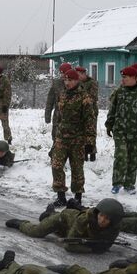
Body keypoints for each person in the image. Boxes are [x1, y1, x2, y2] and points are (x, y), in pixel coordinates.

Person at [5, 198, 124, 253]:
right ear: (98, 212)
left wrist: (101, 247)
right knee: (36, 232)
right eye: (101, 215)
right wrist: (91, 248)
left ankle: (50, 213)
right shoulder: (84, 219)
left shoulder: (114, 228)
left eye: (107, 219)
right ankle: (20, 223)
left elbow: (106, 244)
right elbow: (69, 245)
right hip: (64, 218)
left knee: (50, 221)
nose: (102, 220)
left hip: (69, 229)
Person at [49, 68, 95, 206]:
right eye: (65, 80)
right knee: (56, 166)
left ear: (76, 81)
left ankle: (78, 197)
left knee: (77, 169)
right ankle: (60, 196)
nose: (67, 82)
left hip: (77, 139)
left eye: (70, 80)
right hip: (62, 138)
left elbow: (90, 120)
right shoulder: (62, 95)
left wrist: (90, 142)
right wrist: (55, 139)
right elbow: (59, 118)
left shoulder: (84, 97)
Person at [105, 66, 137, 194]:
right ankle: (117, 183)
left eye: (125, 77)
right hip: (120, 130)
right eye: (123, 77)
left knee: (134, 158)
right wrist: (109, 123)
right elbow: (113, 109)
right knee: (121, 156)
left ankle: (129, 185)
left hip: (136, 132)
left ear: (134, 78)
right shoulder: (119, 92)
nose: (123, 80)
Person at [75, 66, 99, 161]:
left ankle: (92, 152)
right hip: (81, 111)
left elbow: (93, 97)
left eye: (79, 75)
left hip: (91, 111)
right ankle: (84, 152)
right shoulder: (77, 83)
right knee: (82, 132)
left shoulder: (92, 83)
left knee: (91, 132)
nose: (78, 77)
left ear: (84, 74)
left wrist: (82, 99)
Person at [45, 63, 71, 147]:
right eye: (61, 73)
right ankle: (55, 150)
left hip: (71, 116)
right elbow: (50, 101)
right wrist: (47, 115)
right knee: (55, 135)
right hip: (58, 115)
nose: (63, 75)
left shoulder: (74, 83)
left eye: (64, 73)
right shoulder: (56, 84)